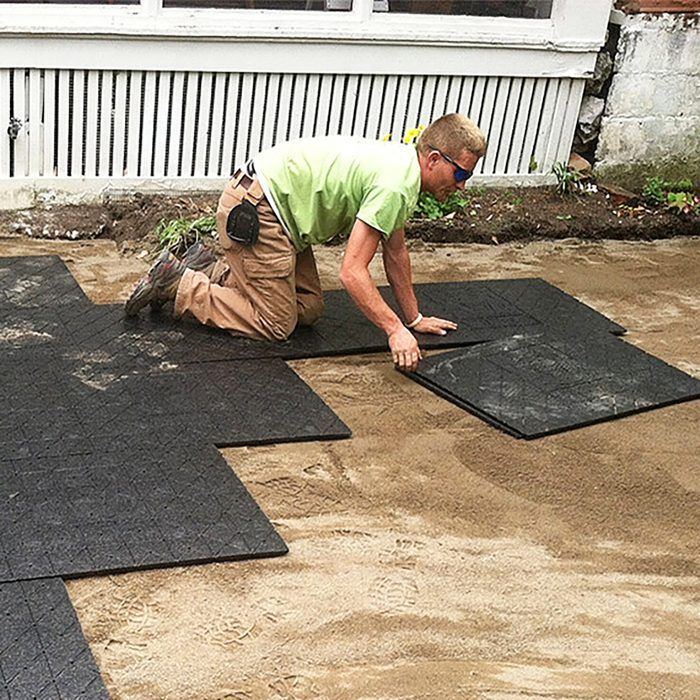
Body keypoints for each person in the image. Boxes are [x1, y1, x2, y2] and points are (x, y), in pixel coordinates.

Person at [124, 113, 486, 372]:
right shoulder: (395, 184)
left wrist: (414, 318)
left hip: (278, 217)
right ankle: (179, 284)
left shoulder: (402, 170)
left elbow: (396, 253)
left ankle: (206, 265)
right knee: (276, 325)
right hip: (257, 211)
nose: (463, 184)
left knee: (309, 308)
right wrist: (394, 331)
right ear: (434, 159)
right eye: (461, 173)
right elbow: (352, 272)